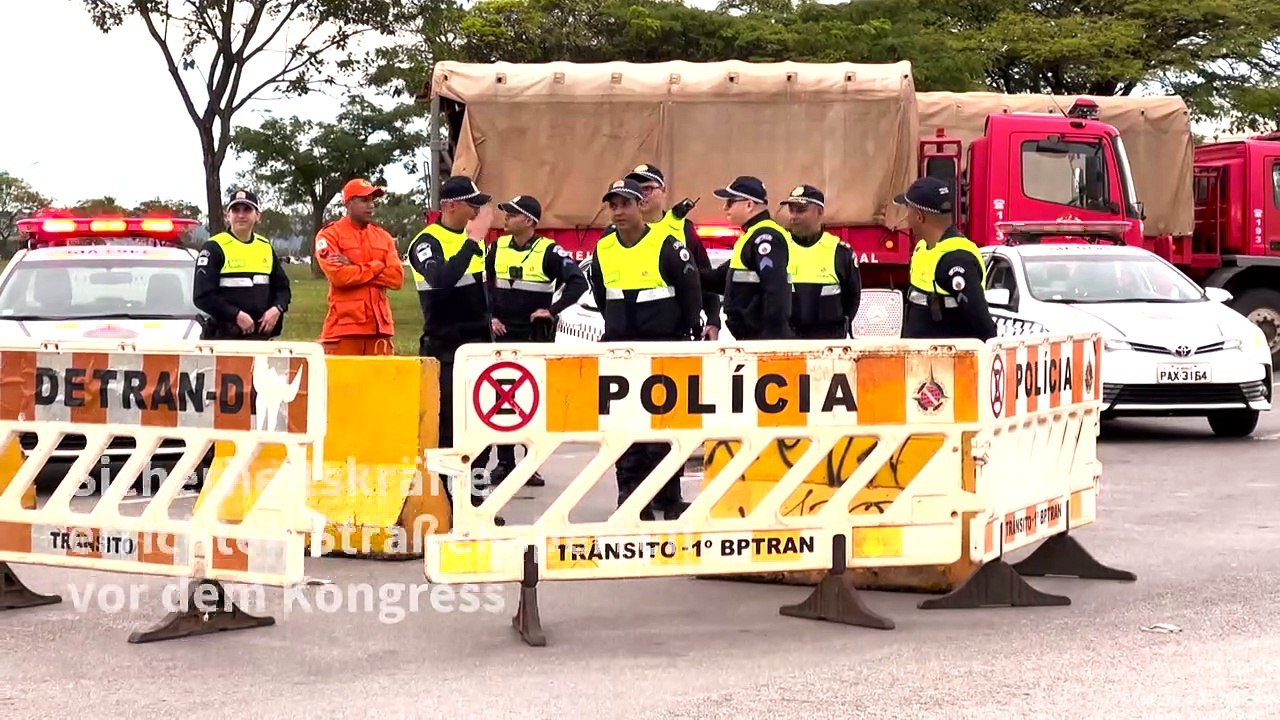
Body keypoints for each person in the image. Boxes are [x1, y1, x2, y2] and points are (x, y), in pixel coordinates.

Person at [590, 178, 702, 521]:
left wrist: (684, 334)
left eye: (625, 204)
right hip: (622, 352)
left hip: (663, 348)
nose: (618, 212)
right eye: (613, 205)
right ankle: (629, 495)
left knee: (664, 427)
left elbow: (690, 291)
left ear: (641, 206)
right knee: (624, 427)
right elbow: (600, 293)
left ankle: (669, 498)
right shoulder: (603, 248)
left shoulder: (666, 245)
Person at [477, 194, 589, 487]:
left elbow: (579, 281)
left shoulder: (547, 251)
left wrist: (551, 311)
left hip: (532, 336)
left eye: (512, 215)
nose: (505, 219)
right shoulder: (497, 247)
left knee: (529, 400)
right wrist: (490, 316)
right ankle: (504, 463)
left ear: (528, 221)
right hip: (501, 334)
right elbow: (482, 283)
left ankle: (530, 464)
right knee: (500, 399)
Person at [406, 175, 495, 509]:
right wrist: (472, 241)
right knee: (446, 432)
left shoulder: (476, 241)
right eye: (472, 204)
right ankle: (443, 504)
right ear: (450, 206)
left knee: (480, 432)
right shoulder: (426, 242)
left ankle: (476, 504)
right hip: (444, 350)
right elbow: (441, 280)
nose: (477, 211)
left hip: (478, 350)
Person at [624, 163, 722, 340]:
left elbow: (705, 279)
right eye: (636, 190)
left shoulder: (683, 229)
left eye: (647, 189)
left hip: (675, 334)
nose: (641, 195)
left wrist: (713, 320)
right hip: (627, 334)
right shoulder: (617, 232)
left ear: (663, 190)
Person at [894, 176, 997, 340]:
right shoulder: (923, 248)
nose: (906, 217)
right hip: (921, 359)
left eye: (908, 209)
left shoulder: (957, 259)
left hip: (949, 362)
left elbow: (983, 327)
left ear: (920, 216)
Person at [314, 178, 404, 355]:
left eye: (372, 200)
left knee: (380, 383)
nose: (370, 205)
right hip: (343, 331)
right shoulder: (330, 235)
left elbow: (396, 279)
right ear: (348, 203)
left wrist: (354, 265)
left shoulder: (383, 236)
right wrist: (378, 266)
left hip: (380, 331)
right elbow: (339, 277)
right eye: (364, 200)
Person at [699, 175, 793, 340]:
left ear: (749, 205)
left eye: (730, 202)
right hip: (751, 339)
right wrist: (683, 274)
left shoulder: (765, 237)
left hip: (763, 341)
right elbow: (723, 279)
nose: (724, 208)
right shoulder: (751, 236)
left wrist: (771, 342)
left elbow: (775, 291)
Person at [193, 188, 291, 340]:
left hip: (260, 339)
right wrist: (236, 315)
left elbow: (283, 289)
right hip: (224, 340)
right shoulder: (214, 247)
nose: (241, 215)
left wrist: (277, 309)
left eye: (247, 210)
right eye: (235, 210)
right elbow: (203, 296)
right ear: (228, 216)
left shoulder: (265, 247)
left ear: (257, 216)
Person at [779, 184, 861, 339]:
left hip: (828, 344)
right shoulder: (779, 248)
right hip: (788, 344)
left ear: (820, 212)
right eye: (791, 210)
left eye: (801, 210)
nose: (794, 216)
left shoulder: (839, 252)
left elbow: (852, 299)